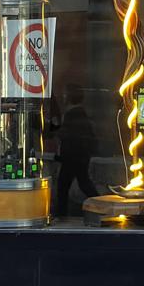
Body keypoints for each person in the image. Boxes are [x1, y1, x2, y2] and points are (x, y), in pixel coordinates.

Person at [54, 84, 99, 217]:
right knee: (83, 183)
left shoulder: (73, 114)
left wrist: (55, 129)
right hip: (79, 157)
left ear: (70, 97)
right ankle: (101, 206)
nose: (63, 97)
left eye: (65, 94)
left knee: (64, 186)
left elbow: (68, 137)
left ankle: (61, 214)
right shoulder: (79, 113)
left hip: (73, 157)